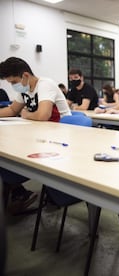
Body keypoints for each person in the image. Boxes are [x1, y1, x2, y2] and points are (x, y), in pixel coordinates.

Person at [0, 56, 72, 214]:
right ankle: (19, 192)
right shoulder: (25, 89)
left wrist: (25, 114)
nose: (13, 86)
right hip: (40, 135)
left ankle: (30, 192)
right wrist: (22, 113)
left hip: (61, 136)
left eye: (13, 82)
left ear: (25, 76)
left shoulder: (45, 84)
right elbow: (12, 110)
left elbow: (43, 115)